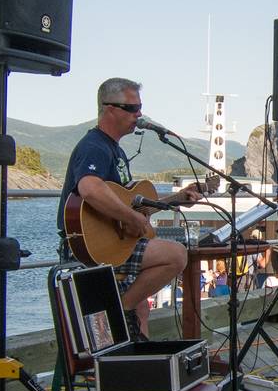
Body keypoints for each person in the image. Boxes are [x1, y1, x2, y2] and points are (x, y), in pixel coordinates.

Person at [56, 78, 201, 338]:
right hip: (89, 247)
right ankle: (120, 308)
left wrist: (176, 199)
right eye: (132, 108)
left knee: (143, 309)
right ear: (109, 108)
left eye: (140, 108)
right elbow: (89, 188)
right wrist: (131, 218)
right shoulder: (94, 146)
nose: (139, 115)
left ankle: (134, 348)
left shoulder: (116, 151)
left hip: (114, 242)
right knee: (177, 254)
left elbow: (130, 206)